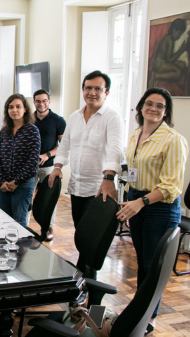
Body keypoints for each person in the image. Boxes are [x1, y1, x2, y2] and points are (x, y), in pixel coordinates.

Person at [116, 88, 188, 334]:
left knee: (152, 264)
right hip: (136, 199)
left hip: (159, 207)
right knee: (143, 263)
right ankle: (141, 309)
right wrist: (131, 200)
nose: (154, 109)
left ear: (166, 111)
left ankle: (148, 317)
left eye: (160, 106)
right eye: (149, 104)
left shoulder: (173, 139)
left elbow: (171, 186)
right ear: (141, 107)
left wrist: (140, 203)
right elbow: (130, 169)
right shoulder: (136, 133)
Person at [49, 70, 122, 278]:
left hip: (99, 190)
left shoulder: (112, 117)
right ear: (83, 90)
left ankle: (86, 286)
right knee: (81, 237)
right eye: (88, 88)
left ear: (106, 92)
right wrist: (57, 167)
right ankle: (81, 283)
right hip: (77, 187)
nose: (92, 92)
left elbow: (116, 149)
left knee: (92, 242)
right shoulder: (74, 116)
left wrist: (108, 178)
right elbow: (65, 145)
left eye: (98, 89)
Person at [0, 94, 41, 227]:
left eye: (18, 107)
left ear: (25, 109)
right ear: (7, 111)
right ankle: (4, 248)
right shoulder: (3, 133)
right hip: (3, 185)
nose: (14, 110)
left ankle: (19, 248)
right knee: (3, 222)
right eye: (11, 107)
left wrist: (16, 181)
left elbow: (32, 163)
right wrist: (1, 181)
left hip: (23, 185)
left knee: (18, 224)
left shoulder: (33, 131)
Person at [32, 89, 66, 241]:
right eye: (38, 101)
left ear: (49, 102)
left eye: (44, 101)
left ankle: (48, 227)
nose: (41, 104)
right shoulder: (28, 119)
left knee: (48, 197)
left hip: (48, 166)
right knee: (26, 196)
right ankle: (23, 226)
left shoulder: (58, 120)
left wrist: (48, 155)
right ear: (34, 102)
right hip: (29, 166)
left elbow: (63, 145)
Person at [149, 18, 189, 88]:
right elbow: (169, 59)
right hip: (160, 63)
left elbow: (169, 58)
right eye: (179, 33)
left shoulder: (169, 39)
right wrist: (182, 50)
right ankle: (156, 76)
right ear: (174, 30)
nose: (179, 36)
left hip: (163, 62)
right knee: (178, 72)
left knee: (182, 65)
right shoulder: (169, 39)